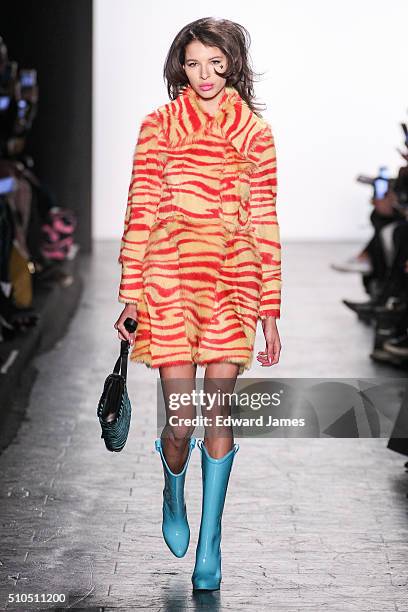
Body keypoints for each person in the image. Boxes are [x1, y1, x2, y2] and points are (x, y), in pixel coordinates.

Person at [113, 17, 282, 591]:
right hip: (170, 276)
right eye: (193, 63)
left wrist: (271, 311)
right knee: (180, 420)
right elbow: (140, 211)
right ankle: (171, 487)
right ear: (178, 67)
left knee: (219, 413)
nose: (205, 74)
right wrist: (130, 294)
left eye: (216, 62)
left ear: (234, 63)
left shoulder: (255, 134)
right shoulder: (158, 127)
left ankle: (211, 542)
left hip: (234, 280)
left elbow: (264, 221)